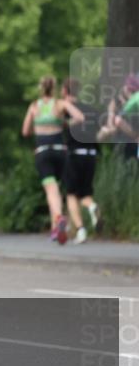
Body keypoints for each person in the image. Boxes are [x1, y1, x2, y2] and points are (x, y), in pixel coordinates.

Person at [21, 76, 83, 244]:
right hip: (60, 152)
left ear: (41, 88)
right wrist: (63, 122)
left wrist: (38, 126)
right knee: (65, 190)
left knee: (51, 191)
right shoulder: (60, 104)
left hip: (42, 152)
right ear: (54, 88)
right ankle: (56, 230)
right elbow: (79, 117)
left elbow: (25, 131)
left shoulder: (34, 106)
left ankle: (58, 219)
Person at [60, 78, 101, 244]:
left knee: (71, 195)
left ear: (64, 90)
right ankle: (92, 207)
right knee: (85, 194)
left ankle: (81, 230)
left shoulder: (64, 109)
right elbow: (99, 133)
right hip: (91, 155)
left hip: (74, 155)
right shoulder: (92, 110)